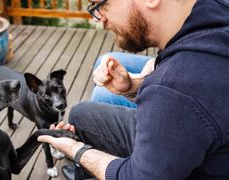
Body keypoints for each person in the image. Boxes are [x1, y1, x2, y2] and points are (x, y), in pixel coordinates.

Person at [38, 0, 229, 179]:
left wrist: (77, 151)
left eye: (100, 4)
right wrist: (132, 87)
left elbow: (134, 177)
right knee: (80, 113)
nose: (99, 18)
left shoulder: (173, 90)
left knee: (93, 100)